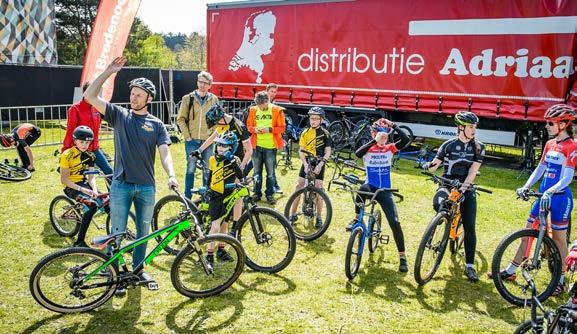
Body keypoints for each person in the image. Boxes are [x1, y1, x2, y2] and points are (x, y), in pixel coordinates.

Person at [83, 56, 178, 294]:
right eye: (132, 93)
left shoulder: (157, 124)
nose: (133, 97)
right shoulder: (119, 115)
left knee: (143, 233)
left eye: (138, 94)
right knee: (117, 233)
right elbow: (90, 97)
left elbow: (165, 153)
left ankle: (137, 270)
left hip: (147, 187)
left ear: (149, 98)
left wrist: (172, 175)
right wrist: (108, 72)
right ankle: (115, 274)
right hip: (121, 186)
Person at [494, 104, 577, 295]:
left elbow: (567, 177)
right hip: (542, 196)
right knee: (527, 232)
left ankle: (561, 279)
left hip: (560, 199)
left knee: (558, 240)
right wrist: (526, 186)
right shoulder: (549, 144)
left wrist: (551, 191)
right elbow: (540, 169)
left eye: (550, 123)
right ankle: (512, 270)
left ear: (563, 124)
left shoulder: (571, 146)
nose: (546, 126)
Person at [422, 111, 485, 282]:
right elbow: (436, 163)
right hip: (447, 183)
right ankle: (435, 229)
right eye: (471, 127)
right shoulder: (448, 145)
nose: (474, 130)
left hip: (466, 186)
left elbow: (473, 171)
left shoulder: (478, 147)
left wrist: (463, 189)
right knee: (438, 204)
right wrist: (428, 166)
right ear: (461, 127)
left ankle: (470, 266)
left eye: (474, 127)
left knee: (470, 225)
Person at [351, 118, 411, 272]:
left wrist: (394, 125)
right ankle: (356, 219)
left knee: (395, 223)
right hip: (371, 186)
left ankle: (402, 257)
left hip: (385, 190)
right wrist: (374, 141)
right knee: (361, 189)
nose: (383, 140)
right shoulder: (368, 148)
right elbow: (358, 153)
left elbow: (405, 139)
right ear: (374, 134)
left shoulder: (390, 148)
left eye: (385, 137)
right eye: (381, 137)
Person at [191, 104, 252, 228]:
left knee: (237, 194)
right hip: (221, 163)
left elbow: (249, 151)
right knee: (220, 191)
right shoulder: (221, 124)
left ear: (223, 117)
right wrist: (199, 150)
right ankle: (221, 218)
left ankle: (236, 225)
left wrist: (240, 168)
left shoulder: (239, 126)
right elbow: (211, 138)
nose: (217, 125)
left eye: (217, 122)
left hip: (236, 162)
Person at [204, 131, 244, 266]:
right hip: (215, 196)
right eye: (219, 145)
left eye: (224, 146)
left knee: (225, 225)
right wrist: (207, 189)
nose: (220, 148)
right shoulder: (212, 159)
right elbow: (209, 177)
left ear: (231, 148)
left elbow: (240, 174)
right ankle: (208, 255)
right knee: (215, 227)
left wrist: (232, 161)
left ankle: (221, 250)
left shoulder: (235, 160)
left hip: (229, 195)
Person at [287, 107, 332, 228]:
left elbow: (328, 151)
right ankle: (293, 214)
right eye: (312, 118)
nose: (313, 121)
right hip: (307, 161)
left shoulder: (326, 134)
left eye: (316, 119)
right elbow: (301, 151)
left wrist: (321, 164)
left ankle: (318, 217)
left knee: (319, 188)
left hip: (319, 162)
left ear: (321, 120)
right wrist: (306, 165)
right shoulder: (305, 132)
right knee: (299, 185)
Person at [176, 71, 219, 199]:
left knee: (207, 170)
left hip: (208, 141)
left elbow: (217, 120)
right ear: (197, 82)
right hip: (192, 140)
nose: (202, 85)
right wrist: (187, 136)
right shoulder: (187, 98)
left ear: (210, 85)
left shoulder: (214, 99)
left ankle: (205, 198)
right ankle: (187, 198)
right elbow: (180, 119)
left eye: (205, 83)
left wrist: (213, 135)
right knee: (191, 169)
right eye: (200, 82)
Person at [59, 126, 100, 247]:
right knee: (92, 206)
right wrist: (83, 190)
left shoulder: (90, 156)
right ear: (75, 141)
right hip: (71, 187)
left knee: (107, 202)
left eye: (87, 142)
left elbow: (91, 177)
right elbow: (64, 180)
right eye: (81, 142)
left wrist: (95, 190)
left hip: (84, 184)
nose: (84, 145)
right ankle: (79, 242)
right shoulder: (66, 155)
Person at [61, 81, 113, 175]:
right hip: (79, 149)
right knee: (83, 176)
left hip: (94, 149)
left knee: (109, 172)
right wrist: (65, 149)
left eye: (97, 91)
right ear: (86, 92)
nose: (97, 94)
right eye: (94, 91)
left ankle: (113, 190)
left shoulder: (97, 108)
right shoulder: (75, 109)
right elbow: (70, 132)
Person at [245, 91, 286, 205]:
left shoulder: (277, 110)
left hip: (270, 147)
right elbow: (249, 126)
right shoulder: (253, 110)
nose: (261, 108)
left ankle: (269, 194)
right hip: (256, 146)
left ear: (268, 101)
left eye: (263, 106)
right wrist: (254, 130)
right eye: (259, 106)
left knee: (270, 173)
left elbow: (282, 128)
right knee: (256, 172)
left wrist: (270, 130)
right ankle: (257, 193)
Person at [266, 83, 283, 195]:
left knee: (271, 165)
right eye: (271, 91)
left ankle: (275, 186)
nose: (273, 94)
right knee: (253, 164)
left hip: (272, 140)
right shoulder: (260, 103)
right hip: (260, 141)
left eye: (275, 92)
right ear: (267, 91)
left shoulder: (275, 106)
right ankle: (275, 186)